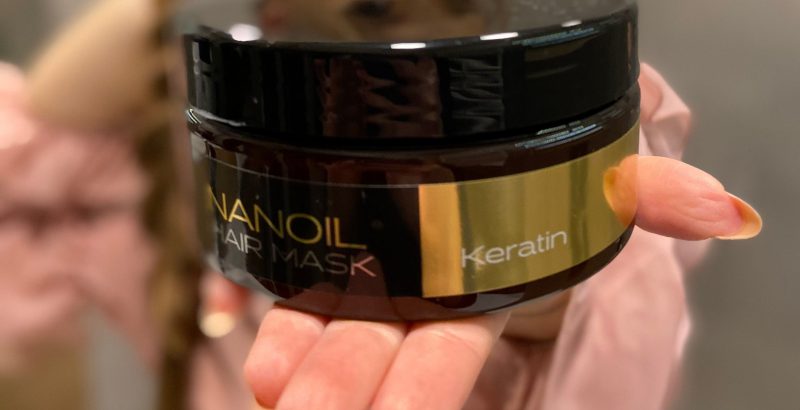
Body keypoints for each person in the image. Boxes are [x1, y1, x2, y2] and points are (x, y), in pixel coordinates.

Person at [0, 0, 762, 409]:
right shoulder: (162, 219)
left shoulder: (581, 225)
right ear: (275, 17)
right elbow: (26, 153)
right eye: (371, 10)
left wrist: (544, 303)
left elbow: (621, 371)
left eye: (453, 6)